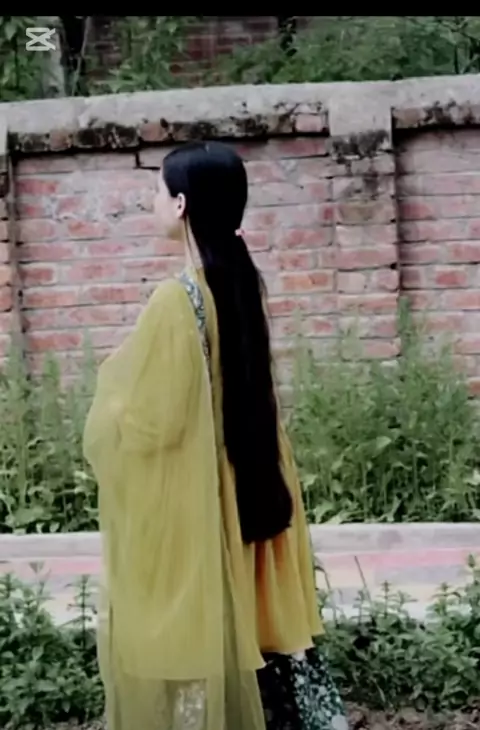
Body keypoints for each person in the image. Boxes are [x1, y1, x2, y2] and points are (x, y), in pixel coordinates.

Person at [83, 141, 348, 730]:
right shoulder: (242, 281)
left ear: (180, 204)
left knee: (202, 639)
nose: (151, 201)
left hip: (208, 501)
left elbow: (155, 422)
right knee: (261, 633)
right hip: (258, 486)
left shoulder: (176, 300)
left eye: (157, 190)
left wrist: (114, 392)